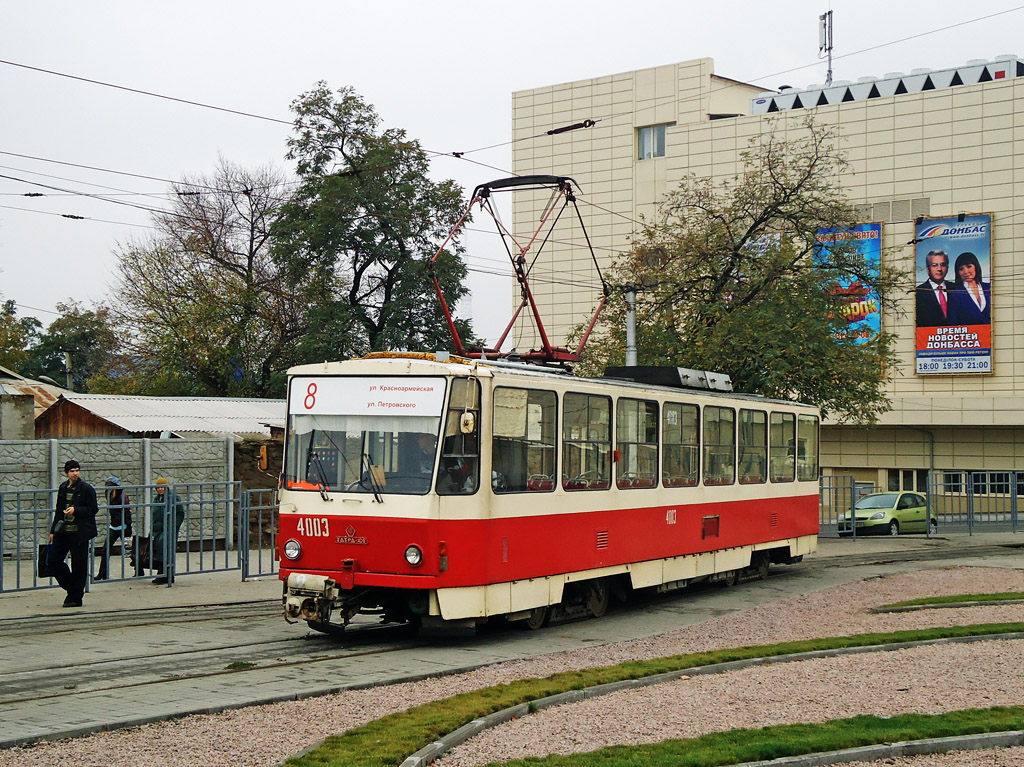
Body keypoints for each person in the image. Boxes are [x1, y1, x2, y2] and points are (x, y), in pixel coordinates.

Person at [48, 459, 99, 607]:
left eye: (77, 470)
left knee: (79, 565)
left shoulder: (86, 488)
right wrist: (53, 530)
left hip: (79, 533)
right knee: (54, 561)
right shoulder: (63, 488)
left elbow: (93, 509)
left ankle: (75, 597)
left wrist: (76, 510)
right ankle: (72, 588)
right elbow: (58, 510)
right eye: (72, 471)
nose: (75, 473)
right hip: (63, 532)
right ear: (66, 473)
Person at [94, 476, 133, 581]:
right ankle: (103, 574)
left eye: (108, 486)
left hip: (123, 526)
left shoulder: (122, 496)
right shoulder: (108, 494)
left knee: (130, 549)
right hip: (114, 526)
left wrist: (128, 527)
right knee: (105, 550)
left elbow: (127, 512)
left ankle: (139, 569)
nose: (106, 488)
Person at [150, 477, 185, 585]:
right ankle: (164, 575)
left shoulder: (173, 497)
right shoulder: (156, 499)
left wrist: (174, 526)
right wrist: (152, 529)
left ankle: (166, 575)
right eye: (158, 487)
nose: (160, 489)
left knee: (166, 551)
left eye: (162, 487)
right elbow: (154, 515)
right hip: (158, 530)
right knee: (160, 550)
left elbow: (180, 513)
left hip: (169, 528)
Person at [948, 251, 991, 325]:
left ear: (976, 266)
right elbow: (952, 323)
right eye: (961, 269)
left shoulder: (989, 287)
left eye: (969, 266)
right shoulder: (956, 294)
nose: (965, 271)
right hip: (970, 335)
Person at [915, 249, 954, 327]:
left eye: (943, 264)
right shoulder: (918, 293)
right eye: (934, 265)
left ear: (947, 267)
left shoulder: (956, 289)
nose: (939, 269)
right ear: (928, 269)